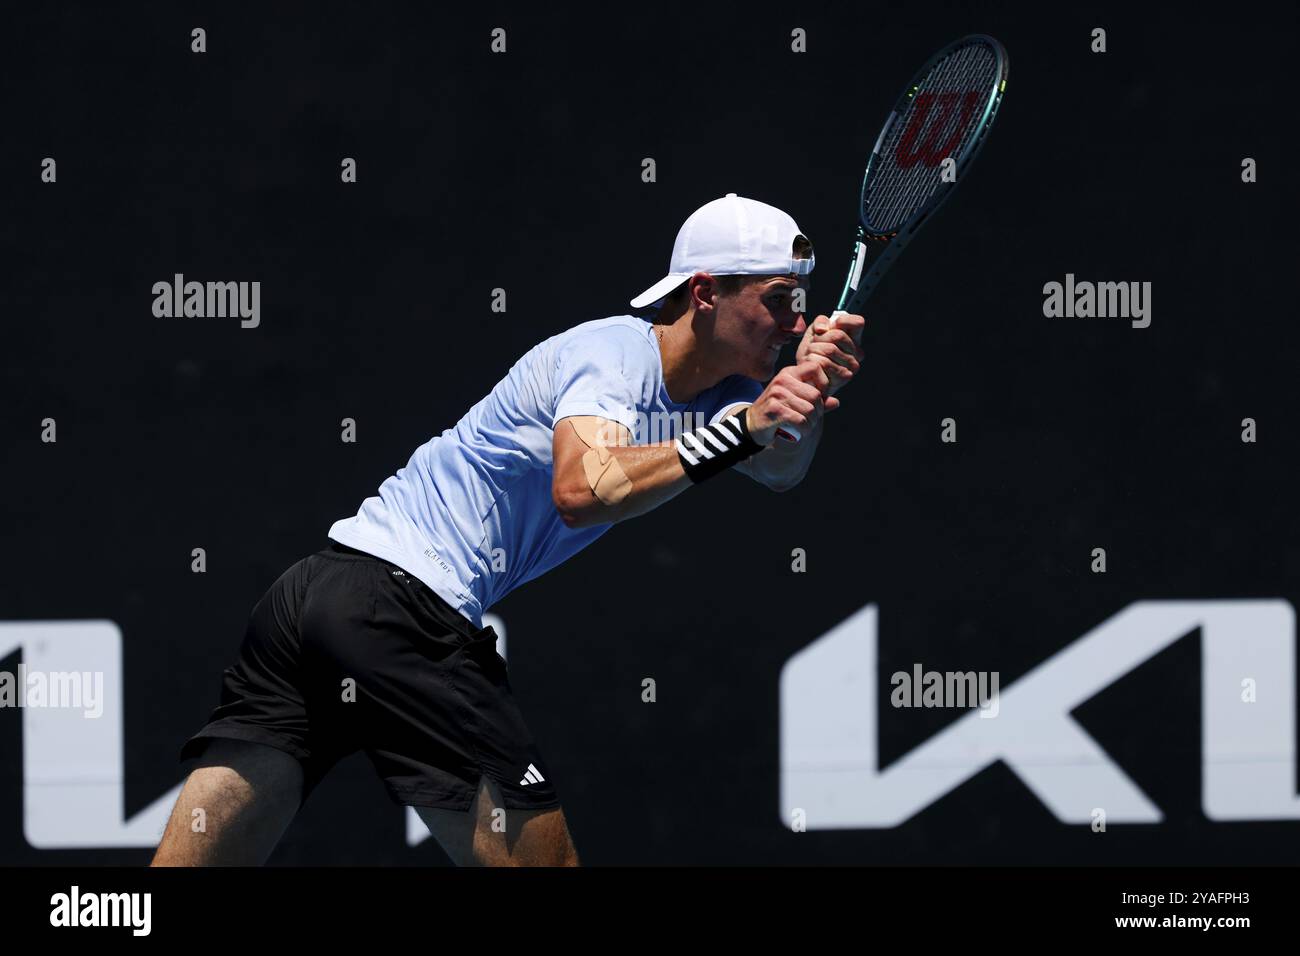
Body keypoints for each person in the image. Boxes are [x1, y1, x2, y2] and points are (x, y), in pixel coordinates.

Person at [150, 193, 865, 867]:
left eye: (802, 305)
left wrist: (809, 395)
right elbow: (583, 490)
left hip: (316, 600)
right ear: (705, 294)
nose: (796, 324)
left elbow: (779, 469)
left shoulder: (719, 392)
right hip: (402, 612)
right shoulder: (614, 355)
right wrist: (746, 425)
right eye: (779, 302)